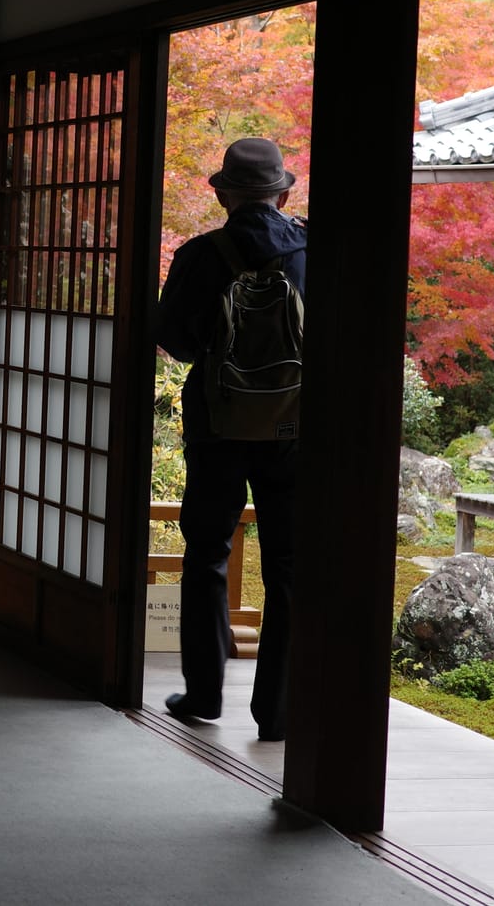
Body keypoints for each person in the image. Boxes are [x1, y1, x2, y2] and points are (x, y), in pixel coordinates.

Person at [153, 137, 307, 743]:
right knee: (289, 566)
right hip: (294, 428)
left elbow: (180, 343)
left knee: (207, 551)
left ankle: (204, 692)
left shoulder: (199, 256)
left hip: (217, 426)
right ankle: (279, 710)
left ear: (221, 193)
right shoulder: (311, 253)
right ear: (284, 192)